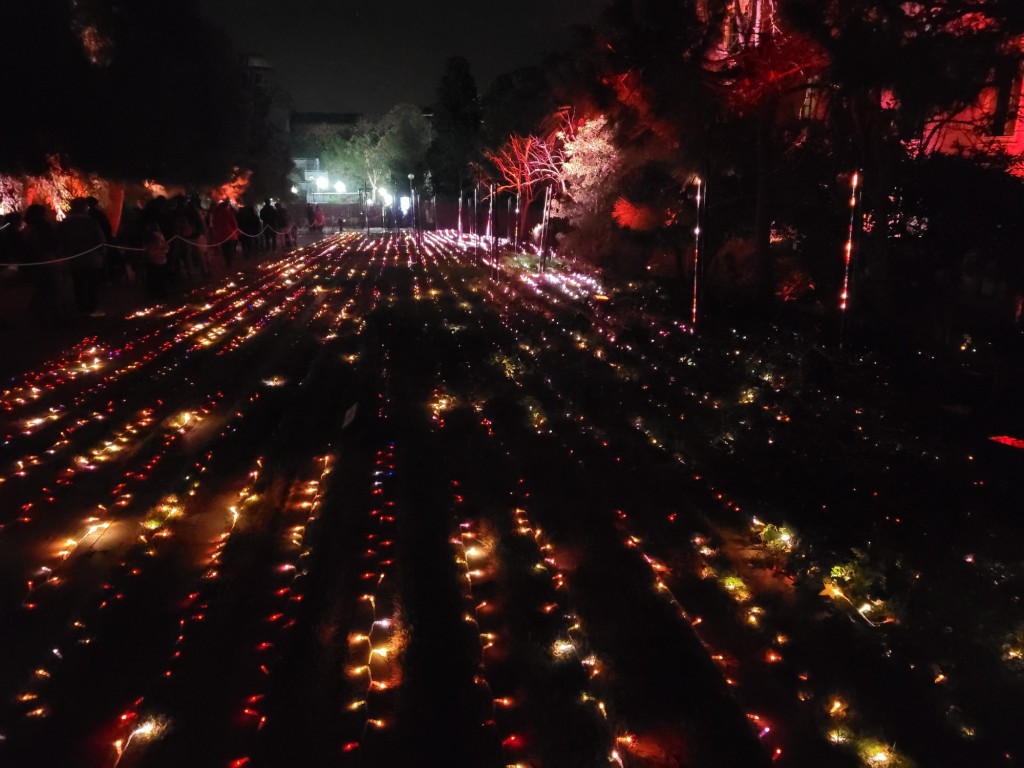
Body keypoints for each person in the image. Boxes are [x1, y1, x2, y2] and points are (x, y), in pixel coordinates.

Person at [60, 197, 106, 316]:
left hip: (74, 258)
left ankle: (81, 308)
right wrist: (101, 254)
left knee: (78, 284)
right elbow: (100, 240)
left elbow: (61, 241)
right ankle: (92, 307)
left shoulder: (65, 224)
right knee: (92, 284)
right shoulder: (91, 223)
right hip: (91, 258)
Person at [144, 221, 169, 299]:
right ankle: (162, 294)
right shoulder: (160, 235)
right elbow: (166, 247)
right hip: (161, 259)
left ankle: (157, 295)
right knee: (160, 278)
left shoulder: (154, 236)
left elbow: (153, 249)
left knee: (156, 278)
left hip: (155, 260)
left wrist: (150, 251)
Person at [211, 200, 239, 269]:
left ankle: (227, 260)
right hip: (229, 234)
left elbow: (214, 224)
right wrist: (236, 229)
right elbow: (234, 223)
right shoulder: (228, 213)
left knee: (224, 248)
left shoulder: (216, 214)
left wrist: (216, 232)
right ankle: (229, 261)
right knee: (230, 248)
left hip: (221, 234)